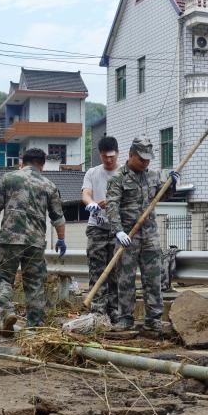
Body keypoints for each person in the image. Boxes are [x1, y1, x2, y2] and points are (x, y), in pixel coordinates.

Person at [0, 148, 66, 333]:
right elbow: (58, 218)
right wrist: (61, 239)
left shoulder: (9, 178)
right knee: (34, 283)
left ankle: (7, 311)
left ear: (21, 162)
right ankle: (35, 327)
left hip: (10, 239)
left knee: (1, 277)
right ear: (42, 165)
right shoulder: (49, 185)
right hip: (35, 242)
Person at [105, 136, 178, 335]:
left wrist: (171, 184)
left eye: (148, 160)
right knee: (125, 280)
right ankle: (125, 318)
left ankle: (153, 319)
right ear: (131, 155)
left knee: (154, 279)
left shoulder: (153, 176)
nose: (145, 163)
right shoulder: (118, 178)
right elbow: (112, 206)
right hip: (128, 236)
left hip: (150, 235)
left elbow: (164, 196)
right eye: (141, 159)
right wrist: (118, 230)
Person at [82, 136, 120, 322]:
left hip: (118, 228)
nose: (109, 160)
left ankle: (115, 311)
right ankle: (97, 311)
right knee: (97, 270)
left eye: (112, 156)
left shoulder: (124, 174)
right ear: (100, 155)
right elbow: (86, 193)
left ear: (117, 154)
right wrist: (91, 204)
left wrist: (112, 203)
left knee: (116, 272)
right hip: (97, 226)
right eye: (105, 157)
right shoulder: (92, 172)